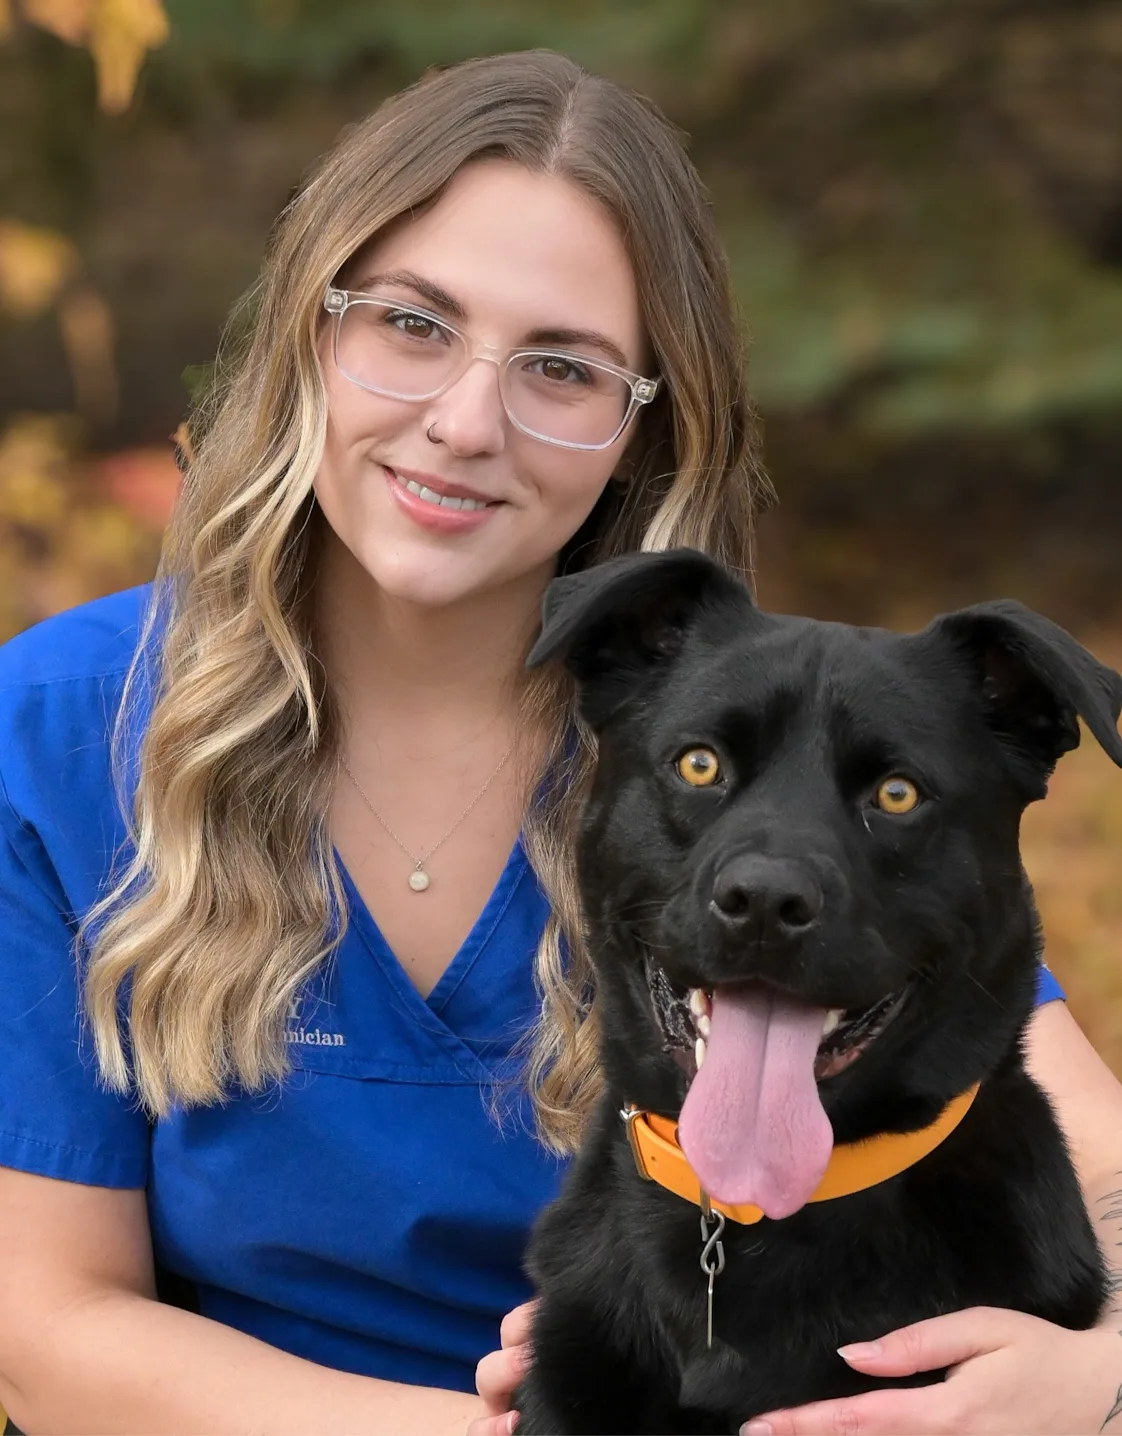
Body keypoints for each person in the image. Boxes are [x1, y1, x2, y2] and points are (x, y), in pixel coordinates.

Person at [0, 49, 1120, 1436]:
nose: (466, 424)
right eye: (411, 324)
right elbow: (47, 1332)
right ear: (309, 330)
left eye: (561, 367)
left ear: (645, 426)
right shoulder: (66, 729)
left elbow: (1087, 1156)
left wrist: (1105, 1378)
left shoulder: (746, 741)